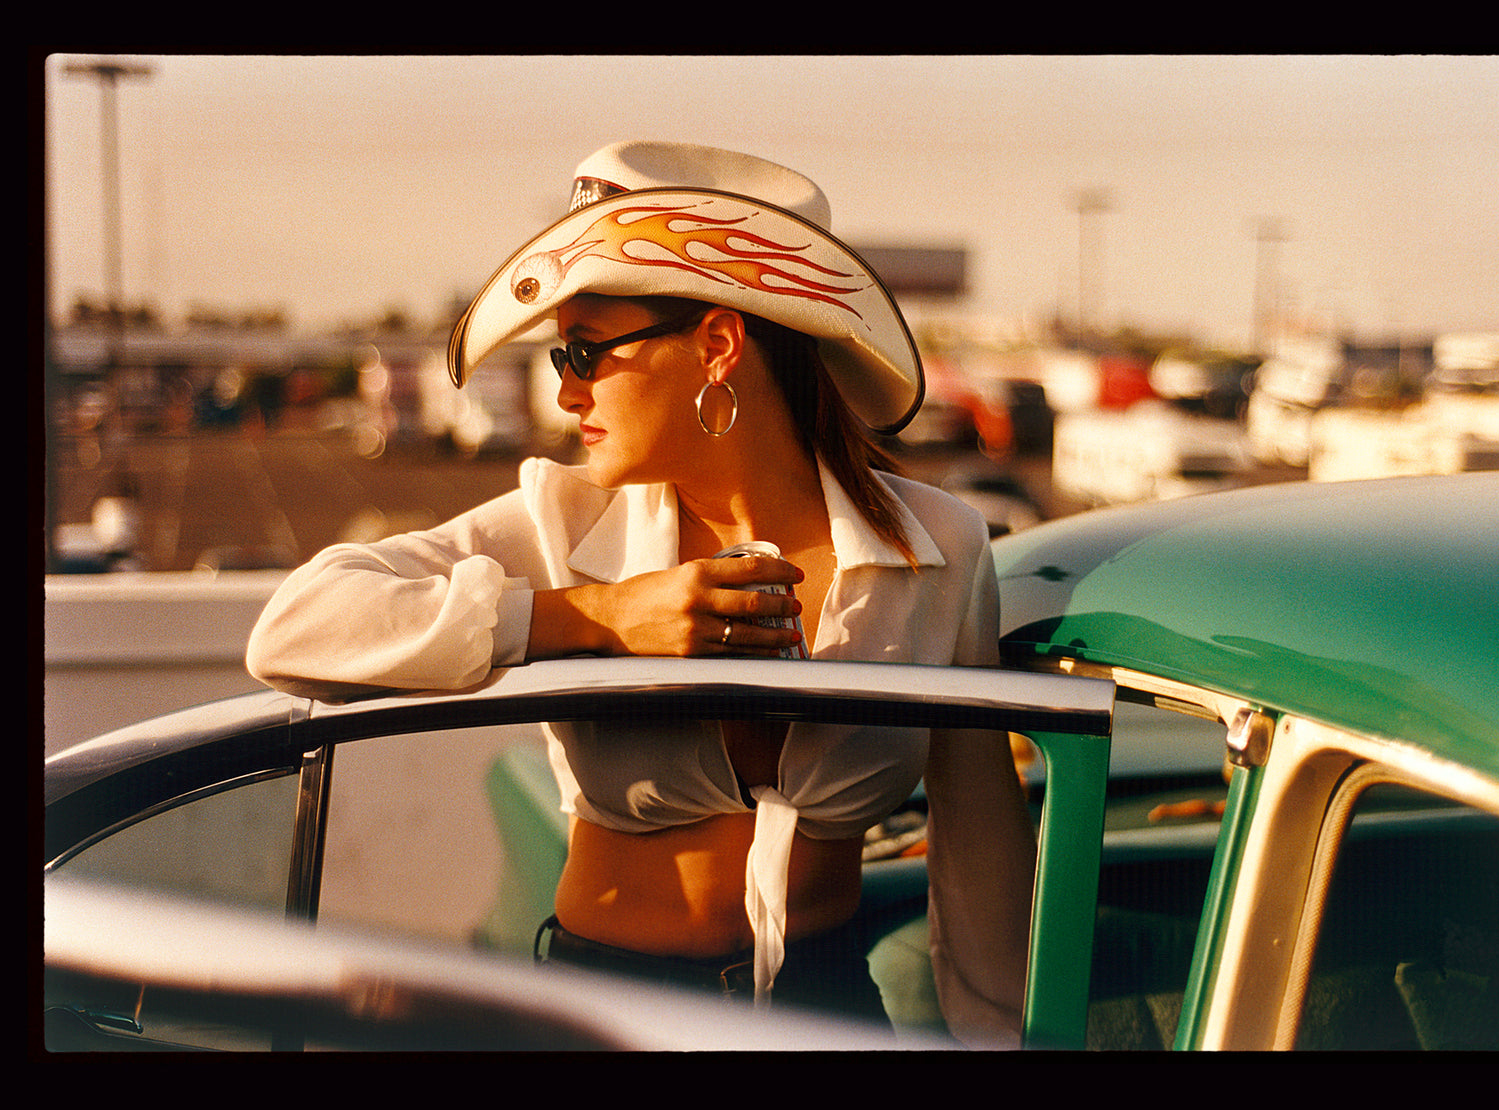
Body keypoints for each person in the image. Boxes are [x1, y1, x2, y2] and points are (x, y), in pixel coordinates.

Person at [246, 141, 1036, 1045]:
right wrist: (596, 619)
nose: (566, 391)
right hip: (601, 1015)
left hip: (824, 1015)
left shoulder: (940, 548)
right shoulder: (562, 525)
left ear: (717, 343)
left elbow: (983, 869)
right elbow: (295, 627)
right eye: (559, 359)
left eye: (585, 352)